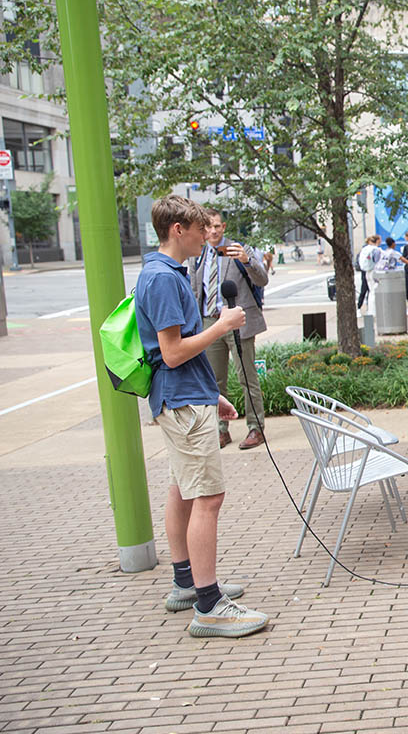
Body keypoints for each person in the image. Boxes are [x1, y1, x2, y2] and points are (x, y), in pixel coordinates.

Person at [136, 194, 269, 638]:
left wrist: (213, 395)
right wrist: (222, 326)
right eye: (200, 230)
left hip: (187, 397)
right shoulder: (162, 278)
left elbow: (176, 352)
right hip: (180, 402)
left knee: (185, 489)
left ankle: (186, 583)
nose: (207, 236)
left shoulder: (166, 273)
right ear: (178, 230)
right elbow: (172, 353)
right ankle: (210, 605)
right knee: (208, 498)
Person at [188, 209, 269, 450]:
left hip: (237, 321)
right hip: (209, 323)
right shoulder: (197, 254)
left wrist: (246, 260)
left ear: (223, 227)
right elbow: (194, 290)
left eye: (216, 226)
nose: (212, 231)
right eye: (208, 227)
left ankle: (256, 427)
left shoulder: (238, 250)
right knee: (213, 380)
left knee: (247, 376)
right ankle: (221, 430)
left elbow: (262, 279)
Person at [356, 234, 382, 310]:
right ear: (377, 241)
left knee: (364, 290)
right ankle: (371, 308)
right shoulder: (375, 249)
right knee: (372, 290)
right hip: (373, 271)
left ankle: (360, 308)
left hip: (365, 271)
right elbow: (377, 261)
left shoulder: (365, 249)